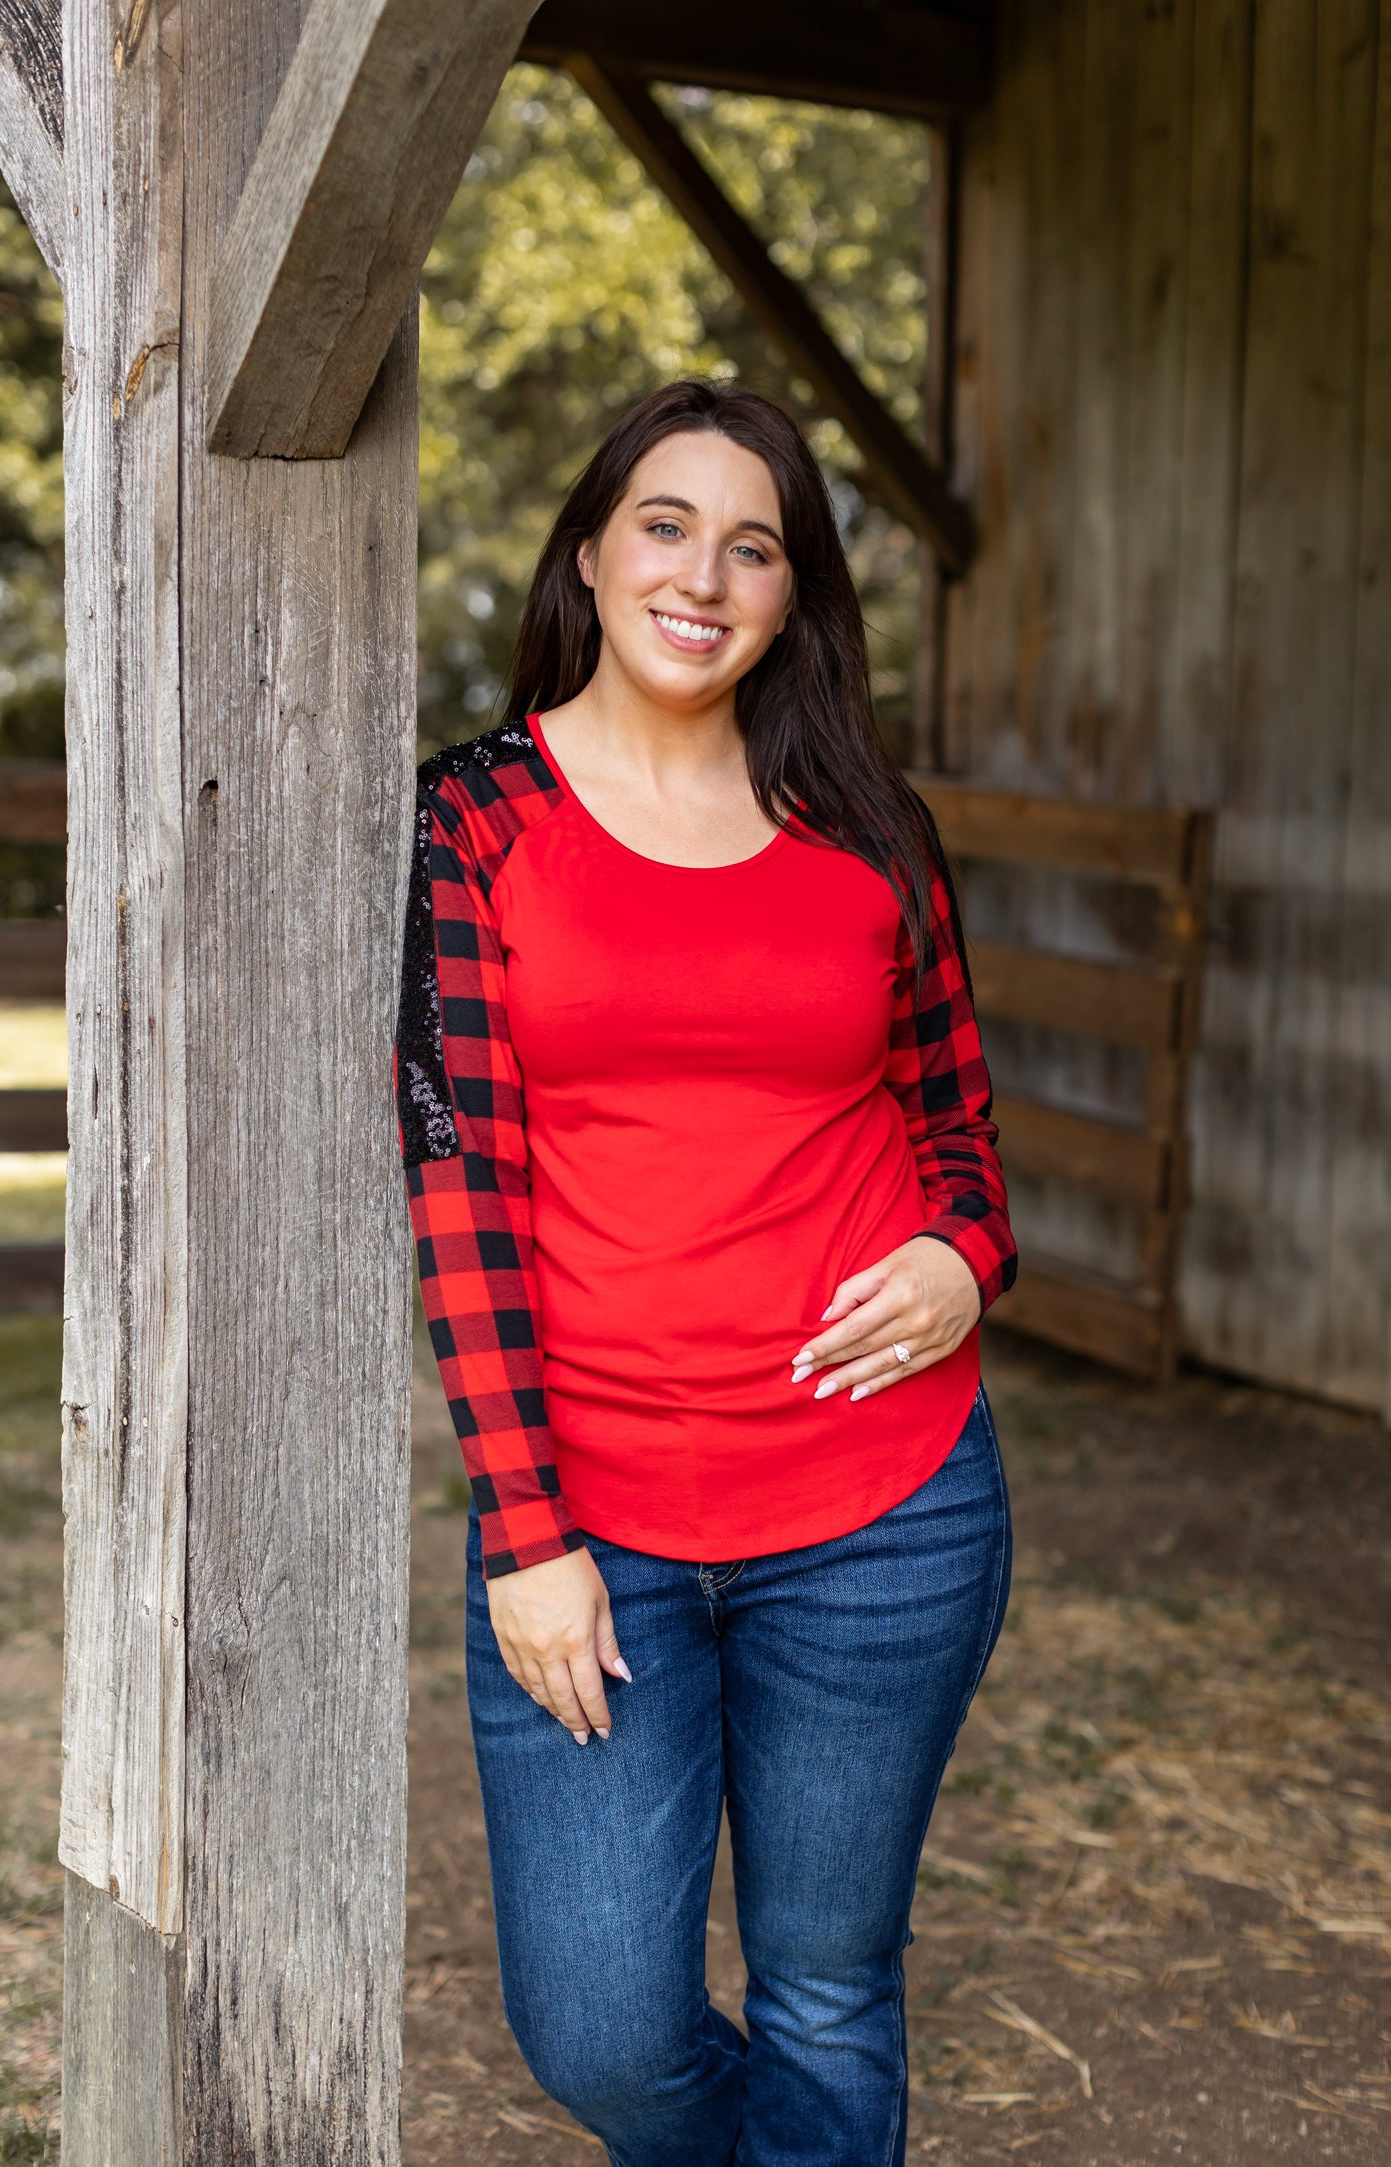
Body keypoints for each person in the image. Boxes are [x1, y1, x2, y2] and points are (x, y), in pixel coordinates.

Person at [393, 379, 1017, 2167]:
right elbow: (457, 1184)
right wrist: (524, 1533)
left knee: (828, 1984)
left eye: (755, 545)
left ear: (793, 595)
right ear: (590, 555)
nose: (702, 573)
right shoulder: (478, 820)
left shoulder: (867, 828)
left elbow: (961, 1137)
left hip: (886, 1509)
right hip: (597, 1530)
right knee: (597, 2028)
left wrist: (962, 1263)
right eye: (663, 524)